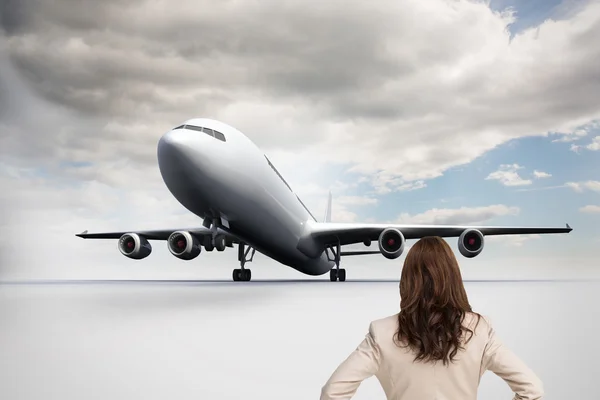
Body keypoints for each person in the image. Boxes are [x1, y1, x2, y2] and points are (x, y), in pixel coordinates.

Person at [320, 236, 544, 400]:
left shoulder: (382, 332)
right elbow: (532, 390)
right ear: (453, 277)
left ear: (408, 280)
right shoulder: (480, 329)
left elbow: (332, 393)